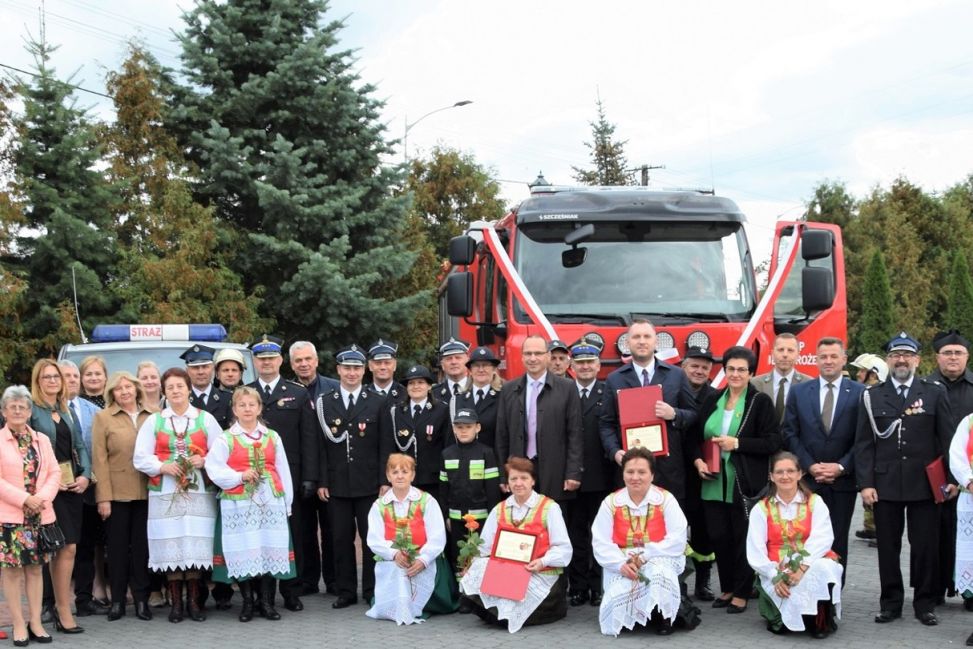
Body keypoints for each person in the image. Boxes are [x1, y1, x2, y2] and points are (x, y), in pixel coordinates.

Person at [855, 332, 956, 626]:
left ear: (917, 360)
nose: (901, 360)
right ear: (888, 361)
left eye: (907, 355)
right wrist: (866, 484)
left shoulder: (934, 392)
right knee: (887, 547)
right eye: (896, 355)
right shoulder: (872, 396)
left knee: (925, 547)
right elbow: (863, 444)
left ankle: (924, 604)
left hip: (925, 484)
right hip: (884, 485)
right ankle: (890, 603)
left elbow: (946, 439)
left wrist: (950, 478)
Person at [690, 345, 780, 613]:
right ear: (724, 370)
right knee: (719, 537)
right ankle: (727, 588)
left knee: (743, 538)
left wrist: (737, 443)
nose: (736, 374)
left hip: (744, 484)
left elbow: (773, 441)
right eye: (731, 369)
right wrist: (697, 460)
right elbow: (694, 438)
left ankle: (742, 591)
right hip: (711, 483)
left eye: (742, 369)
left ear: (751, 373)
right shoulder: (711, 400)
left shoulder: (759, 402)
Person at [133, 367, 221, 623]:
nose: (175, 391)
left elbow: (221, 453)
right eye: (170, 387)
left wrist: (203, 460)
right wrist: (162, 466)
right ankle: (176, 604)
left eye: (179, 386)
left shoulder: (204, 419)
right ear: (164, 391)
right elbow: (140, 457)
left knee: (194, 543)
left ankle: (194, 602)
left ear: (188, 388)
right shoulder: (155, 420)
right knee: (172, 543)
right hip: (166, 492)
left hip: (198, 492)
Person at [205, 387, 295, 623]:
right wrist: (239, 476)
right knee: (244, 549)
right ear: (234, 409)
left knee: (267, 548)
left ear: (259, 408)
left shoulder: (272, 436)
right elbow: (213, 468)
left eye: (251, 405)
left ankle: (265, 602)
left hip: (269, 500)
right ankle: (246, 602)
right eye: (242, 405)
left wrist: (287, 502)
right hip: (239, 501)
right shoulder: (226, 438)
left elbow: (283, 469)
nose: (247, 409)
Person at [247, 334, 318, 612]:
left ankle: (292, 590)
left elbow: (309, 439)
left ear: (279, 361)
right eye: (261, 359)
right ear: (255, 361)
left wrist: (310, 477)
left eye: (271, 358)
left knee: (292, 536)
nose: (266, 363)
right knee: (258, 537)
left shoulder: (298, 393)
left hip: (289, 480)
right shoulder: (246, 393)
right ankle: (257, 594)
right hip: (254, 482)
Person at [460, 457, 572, 632]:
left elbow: (564, 549)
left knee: (511, 610)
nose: (519, 483)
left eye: (524, 478)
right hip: (508, 573)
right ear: (507, 483)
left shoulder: (550, 508)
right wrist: (472, 565)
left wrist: (542, 561)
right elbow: (484, 547)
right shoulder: (500, 509)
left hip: (539, 573)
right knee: (478, 567)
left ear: (533, 480)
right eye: (513, 479)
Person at [782, 337, 864, 574]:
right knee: (805, 539)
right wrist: (809, 465)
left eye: (833, 356)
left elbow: (864, 438)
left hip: (843, 482)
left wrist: (841, 466)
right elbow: (790, 432)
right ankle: (806, 594)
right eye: (823, 357)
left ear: (844, 359)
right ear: (816, 360)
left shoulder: (860, 392)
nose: (828, 361)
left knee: (837, 541)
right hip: (809, 480)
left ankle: (832, 600)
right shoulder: (799, 392)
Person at [314, 345, 386, 609]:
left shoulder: (377, 401)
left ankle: (370, 589)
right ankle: (345, 591)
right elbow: (320, 446)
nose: (352, 373)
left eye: (356, 368)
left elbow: (384, 444)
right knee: (341, 539)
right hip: (336, 484)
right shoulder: (325, 402)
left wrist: (384, 480)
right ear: (338, 370)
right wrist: (322, 480)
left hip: (369, 484)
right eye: (347, 368)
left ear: (364, 369)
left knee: (370, 540)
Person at [599, 320, 699, 504]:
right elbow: (606, 423)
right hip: (631, 469)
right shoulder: (614, 379)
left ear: (656, 342)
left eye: (647, 336)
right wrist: (614, 452)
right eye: (636, 337)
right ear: (627, 343)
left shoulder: (676, 375)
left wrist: (674, 414)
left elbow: (693, 414)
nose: (642, 341)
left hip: (668, 469)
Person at [592, 447, 688, 636]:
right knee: (620, 590)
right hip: (622, 559)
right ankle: (632, 616)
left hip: (658, 555)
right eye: (630, 472)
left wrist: (647, 555)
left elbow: (677, 538)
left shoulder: (665, 499)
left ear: (652, 475)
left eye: (642, 472)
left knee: (659, 573)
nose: (635, 477)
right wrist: (620, 564)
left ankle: (663, 616)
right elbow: (600, 541)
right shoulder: (611, 502)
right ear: (623, 474)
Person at [747, 452, 842, 638]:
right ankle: (792, 615)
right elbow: (755, 549)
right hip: (777, 568)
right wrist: (775, 576)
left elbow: (822, 538)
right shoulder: (761, 508)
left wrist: (802, 567)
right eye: (779, 472)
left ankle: (820, 621)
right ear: (771, 476)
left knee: (823, 567)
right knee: (783, 626)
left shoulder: (815, 502)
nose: (785, 476)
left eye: (790, 471)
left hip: (811, 563)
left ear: (800, 474)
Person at [29, 359, 91, 634]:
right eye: (47, 377)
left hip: (71, 488)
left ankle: (62, 606)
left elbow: (79, 445)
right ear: (38, 381)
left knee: (69, 548)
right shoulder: (32, 411)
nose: (53, 381)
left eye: (56, 377)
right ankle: (53, 608)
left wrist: (85, 475)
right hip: (46, 490)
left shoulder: (66, 410)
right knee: (52, 550)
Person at [91, 371, 155, 621]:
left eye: (128, 387)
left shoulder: (152, 416)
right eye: (119, 389)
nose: (125, 392)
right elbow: (99, 459)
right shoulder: (103, 418)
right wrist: (103, 497)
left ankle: (141, 600)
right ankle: (117, 601)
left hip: (148, 494)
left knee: (142, 550)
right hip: (116, 495)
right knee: (116, 551)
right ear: (112, 393)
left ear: (137, 389)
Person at [0, 385, 61, 646]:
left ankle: (35, 622)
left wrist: (41, 500)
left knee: (36, 570)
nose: (17, 410)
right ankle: (18, 624)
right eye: (12, 406)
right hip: (10, 517)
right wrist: (25, 499)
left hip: (39, 516)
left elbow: (54, 473)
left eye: (22, 406)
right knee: (13, 572)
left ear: (29, 411)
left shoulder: (42, 440)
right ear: (3, 412)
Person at [366, 453, 454, 624]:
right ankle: (399, 605)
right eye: (395, 472)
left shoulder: (427, 501)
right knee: (398, 570)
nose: (400, 476)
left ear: (413, 475)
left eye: (405, 472)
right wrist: (394, 554)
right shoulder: (379, 505)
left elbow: (437, 537)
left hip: (422, 559)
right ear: (388, 475)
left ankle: (420, 604)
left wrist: (423, 560)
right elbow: (374, 540)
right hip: (393, 560)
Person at [495, 335, 583, 503]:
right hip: (519, 471)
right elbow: (502, 436)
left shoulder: (567, 388)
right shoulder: (509, 389)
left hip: (555, 470)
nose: (533, 358)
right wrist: (503, 474)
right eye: (528, 354)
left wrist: (573, 472)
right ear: (522, 357)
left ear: (548, 356)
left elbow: (575, 434)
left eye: (538, 353)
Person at [288, 340, 339, 596]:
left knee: (332, 529)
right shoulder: (287, 390)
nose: (304, 364)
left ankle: (333, 580)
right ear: (292, 364)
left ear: (317, 361)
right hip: (301, 474)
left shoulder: (334, 388)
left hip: (330, 472)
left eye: (308, 359)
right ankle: (308, 579)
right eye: (298, 360)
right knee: (304, 528)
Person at [59, 360, 110, 617]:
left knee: (87, 546)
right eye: (65, 376)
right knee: (60, 547)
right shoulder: (46, 411)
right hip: (58, 489)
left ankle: (84, 599)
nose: (71, 380)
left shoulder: (93, 410)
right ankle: (53, 604)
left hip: (87, 488)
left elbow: (98, 450)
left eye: (73, 376)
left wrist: (89, 479)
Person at [927, 330, 973, 606]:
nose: (953, 357)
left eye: (958, 352)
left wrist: (964, 479)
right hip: (933, 476)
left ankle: (970, 592)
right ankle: (934, 590)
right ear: (937, 357)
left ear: (967, 357)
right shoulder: (925, 387)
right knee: (934, 537)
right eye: (947, 353)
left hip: (969, 482)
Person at [439, 407, 501, 611]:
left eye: (468, 427)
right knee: (459, 555)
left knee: (480, 555)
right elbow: (443, 489)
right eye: (459, 427)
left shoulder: (486, 453)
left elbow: (492, 490)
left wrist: (493, 517)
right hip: (456, 518)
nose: (464, 431)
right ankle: (463, 596)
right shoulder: (447, 454)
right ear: (454, 430)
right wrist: (446, 515)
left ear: (478, 428)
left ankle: (480, 594)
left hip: (482, 518)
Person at [565, 337, 611, 608]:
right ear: (572, 366)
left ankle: (597, 586)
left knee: (599, 534)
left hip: (600, 475)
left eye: (589, 362)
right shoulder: (564, 391)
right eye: (580, 363)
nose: (584, 367)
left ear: (598, 365)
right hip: (570, 476)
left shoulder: (609, 392)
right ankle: (578, 586)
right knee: (575, 535)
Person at [680, 345, 718, 601]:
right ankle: (678, 583)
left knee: (705, 532)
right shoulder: (671, 392)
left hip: (704, 474)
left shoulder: (717, 396)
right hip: (675, 474)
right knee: (677, 532)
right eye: (694, 365)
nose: (699, 371)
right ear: (683, 367)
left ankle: (702, 583)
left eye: (705, 367)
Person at [380, 365, 449, 502]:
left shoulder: (442, 410)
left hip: (433, 479)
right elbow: (389, 447)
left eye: (420, 382)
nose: (415, 386)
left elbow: (447, 445)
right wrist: (386, 480)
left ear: (429, 386)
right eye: (411, 383)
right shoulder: (396, 412)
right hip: (403, 479)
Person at [849, 352, 887, 546]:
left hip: (875, 454)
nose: (858, 375)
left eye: (862, 371)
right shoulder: (866, 392)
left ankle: (879, 530)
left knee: (874, 492)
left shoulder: (874, 396)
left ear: (873, 374)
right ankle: (870, 527)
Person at [752, 333, 812, 423]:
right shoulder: (754, 383)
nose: (785, 355)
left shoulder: (809, 384)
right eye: (780, 350)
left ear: (798, 354)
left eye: (790, 350)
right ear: (772, 353)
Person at [454, 347, 503, 450]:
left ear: (494, 370)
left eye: (485, 365)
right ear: (470, 371)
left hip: (493, 460)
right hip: (465, 459)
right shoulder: (458, 399)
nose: (481, 370)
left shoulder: (503, 398)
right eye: (476, 366)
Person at [183, 344, 232, 431]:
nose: (201, 372)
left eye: (205, 367)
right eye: (195, 367)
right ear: (187, 371)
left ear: (213, 369)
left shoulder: (228, 399)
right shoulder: (181, 400)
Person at [431, 338, 471, 412]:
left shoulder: (476, 390)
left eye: (458, 358)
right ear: (442, 365)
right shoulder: (433, 394)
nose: (453, 362)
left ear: (467, 361)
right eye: (449, 359)